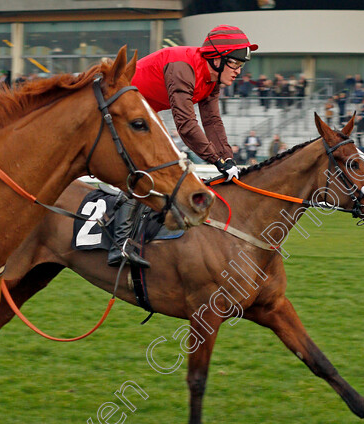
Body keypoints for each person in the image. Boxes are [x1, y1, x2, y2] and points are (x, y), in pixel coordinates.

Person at [109, 24, 258, 268]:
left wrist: (227, 158)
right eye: (235, 63)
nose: (239, 71)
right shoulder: (183, 67)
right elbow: (186, 125)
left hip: (142, 114)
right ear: (216, 59)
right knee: (149, 169)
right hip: (119, 111)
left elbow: (211, 121)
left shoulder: (212, 80)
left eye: (241, 65)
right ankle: (120, 246)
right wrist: (216, 160)